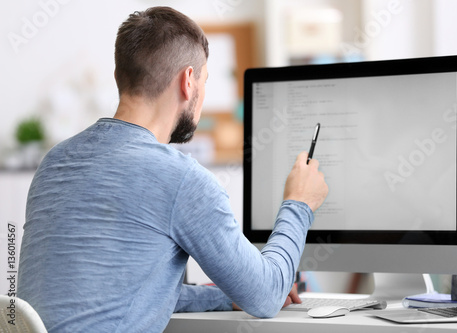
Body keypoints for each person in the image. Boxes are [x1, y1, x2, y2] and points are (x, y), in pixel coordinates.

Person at [17, 6, 328, 333]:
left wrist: (225, 297)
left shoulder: (55, 162)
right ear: (188, 81)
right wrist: (299, 202)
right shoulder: (179, 178)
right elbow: (267, 295)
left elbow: (121, 296)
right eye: (204, 81)